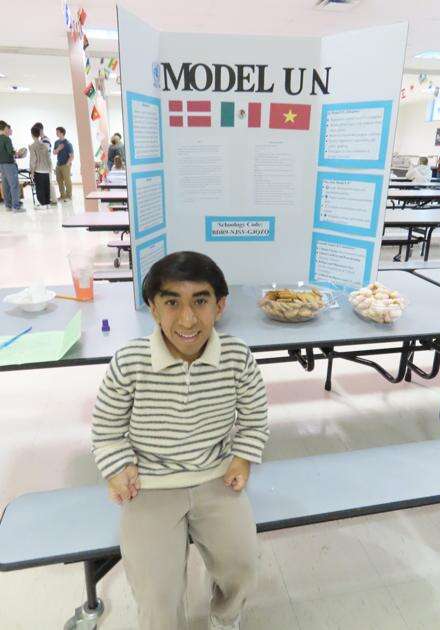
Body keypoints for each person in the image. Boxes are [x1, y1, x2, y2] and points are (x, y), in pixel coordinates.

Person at [91, 251, 269, 630]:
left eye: (200, 301)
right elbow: (106, 428)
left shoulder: (237, 356)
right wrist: (117, 468)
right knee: (157, 593)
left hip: (216, 476)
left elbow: (255, 418)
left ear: (220, 306)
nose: (187, 319)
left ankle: (226, 616)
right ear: (153, 308)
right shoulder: (130, 362)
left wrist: (242, 458)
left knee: (243, 565)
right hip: (150, 484)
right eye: (172, 303)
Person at [0, 120, 24, 212]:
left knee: (5, 185)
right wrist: (18, 153)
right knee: (14, 185)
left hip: (1, 165)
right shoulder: (7, 139)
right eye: (7, 128)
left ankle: (8, 206)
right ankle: (16, 207)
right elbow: (11, 152)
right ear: (5, 128)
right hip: (9, 165)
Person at [33, 122, 58, 205]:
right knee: (46, 182)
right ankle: (50, 199)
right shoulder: (41, 140)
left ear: (40, 130)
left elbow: (44, 152)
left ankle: (54, 200)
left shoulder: (46, 139)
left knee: (49, 182)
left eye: (37, 130)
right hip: (43, 164)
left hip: (46, 163)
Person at [29, 125, 52, 208]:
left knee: (39, 187)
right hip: (46, 169)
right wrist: (50, 168)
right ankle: (47, 203)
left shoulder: (32, 146)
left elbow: (33, 160)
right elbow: (48, 158)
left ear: (32, 135)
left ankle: (42, 204)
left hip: (38, 170)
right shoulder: (44, 145)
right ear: (39, 134)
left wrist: (32, 172)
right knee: (46, 186)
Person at [53, 126, 74, 201]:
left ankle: (69, 196)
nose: (56, 133)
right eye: (56, 132)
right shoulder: (56, 142)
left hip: (66, 165)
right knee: (59, 180)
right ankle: (63, 195)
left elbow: (72, 156)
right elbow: (54, 152)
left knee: (67, 181)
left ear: (62, 133)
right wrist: (58, 148)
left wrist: (67, 164)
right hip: (58, 165)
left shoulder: (68, 144)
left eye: (57, 132)